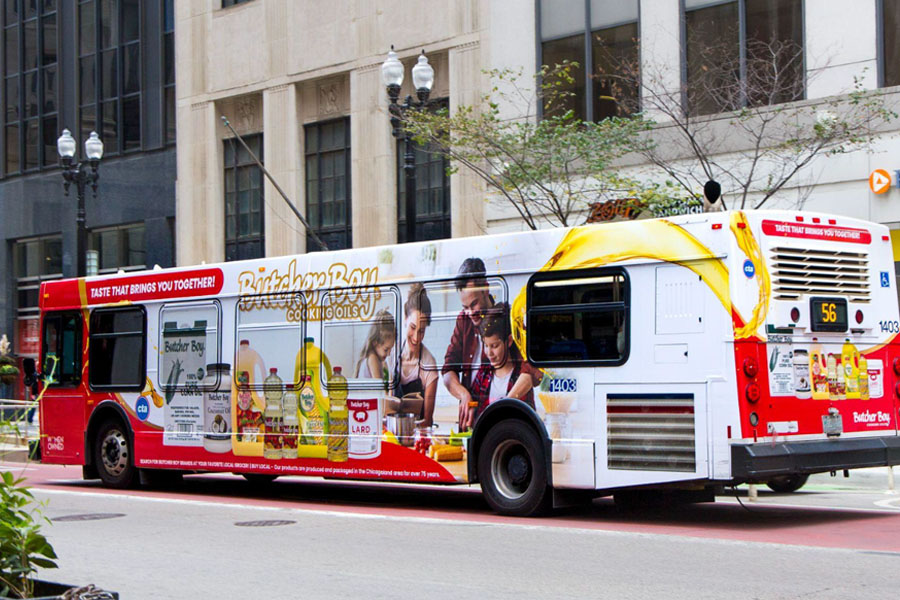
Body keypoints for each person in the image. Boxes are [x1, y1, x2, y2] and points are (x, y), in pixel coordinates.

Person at [442, 257, 541, 430]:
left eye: (474, 304)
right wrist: (464, 395)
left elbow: (532, 367)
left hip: (509, 417)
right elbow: (448, 369)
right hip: (473, 419)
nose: (470, 312)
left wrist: (505, 406)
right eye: (465, 307)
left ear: (486, 288)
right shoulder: (463, 320)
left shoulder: (507, 319)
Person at [466, 313, 536, 428]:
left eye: (494, 346)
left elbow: (527, 418)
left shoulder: (520, 376)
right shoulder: (484, 373)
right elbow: (474, 404)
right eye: (486, 345)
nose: (489, 353)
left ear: (509, 341)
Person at [397, 283, 438, 426]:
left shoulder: (429, 364)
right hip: (390, 435)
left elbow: (427, 421)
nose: (416, 337)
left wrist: (407, 429)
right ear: (405, 318)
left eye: (422, 331)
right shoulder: (391, 357)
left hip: (416, 437)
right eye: (413, 328)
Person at [356, 309, 396, 381]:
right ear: (375, 343)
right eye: (386, 349)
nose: (389, 353)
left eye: (391, 349)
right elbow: (380, 389)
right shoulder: (373, 359)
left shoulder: (377, 359)